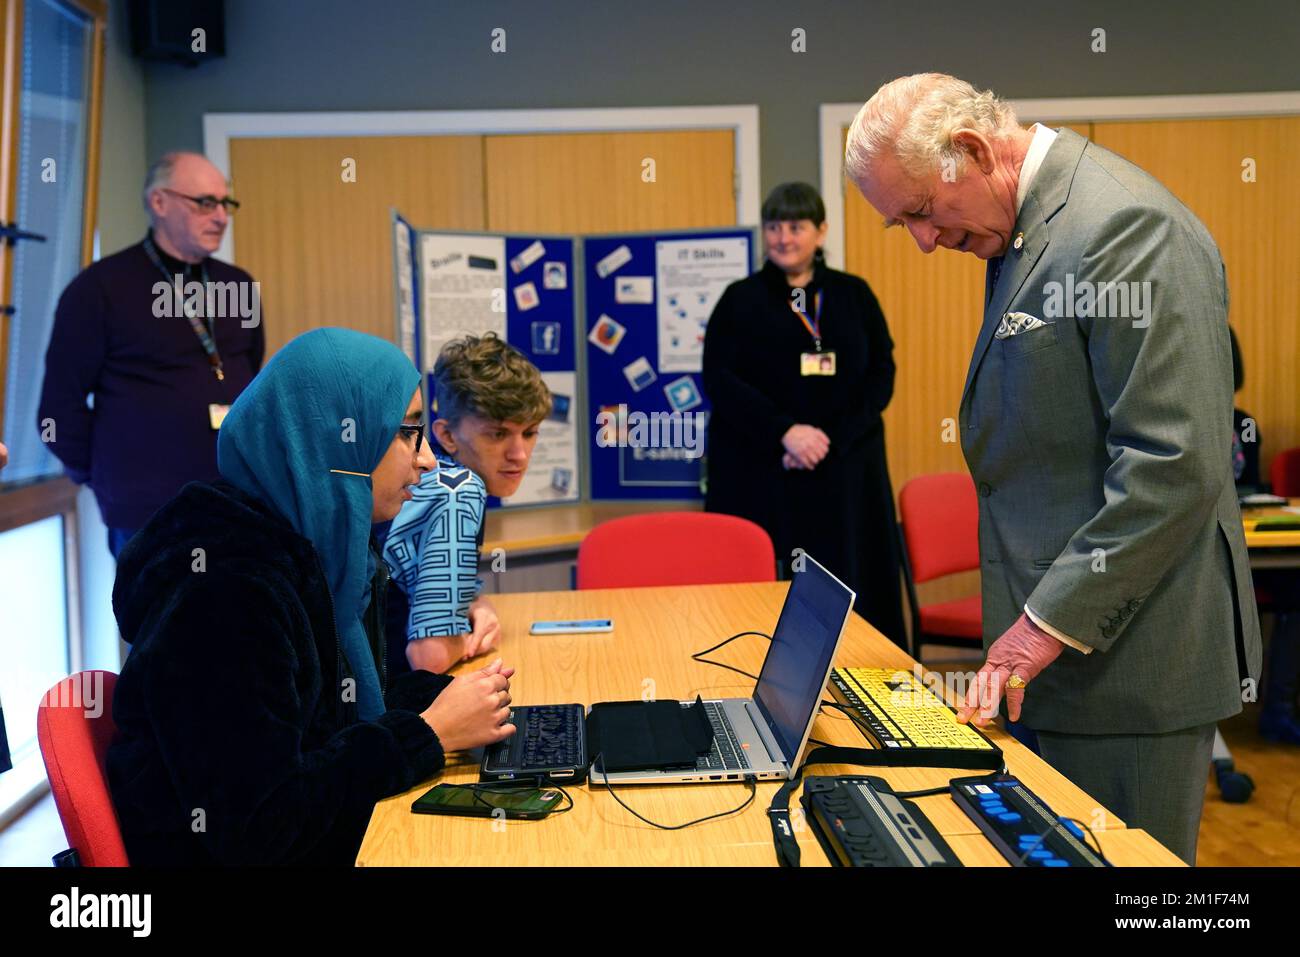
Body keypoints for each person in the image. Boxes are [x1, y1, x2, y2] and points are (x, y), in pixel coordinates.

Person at [845, 73, 1261, 864]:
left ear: (970, 151)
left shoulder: (1123, 228)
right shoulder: (1027, 225)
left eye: (922, 213)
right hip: (1062, 660)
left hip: (1132, 666)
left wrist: (1038, 628)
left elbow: (1172, 464)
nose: (925, 242)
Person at [106, 328, 516, 865]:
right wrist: (429, 734)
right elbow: (261, 825)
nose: (428, 461)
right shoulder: (224, 593)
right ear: (336, 440)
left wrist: (459, 701)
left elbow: (336, 717)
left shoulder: (314, 547)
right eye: (408, 433)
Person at [702, 182, 905, 646]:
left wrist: (824, 439)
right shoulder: (739, 300)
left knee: (851, 585)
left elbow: (881, 373)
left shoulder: (854, 295)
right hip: (762, 472)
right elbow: (720, 379)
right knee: (762, 598)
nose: (783, 237)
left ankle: (867, 676)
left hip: (844, 472)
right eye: (773, 227)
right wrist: (786, 434)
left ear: (821, 231)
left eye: (796, 226)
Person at [38, 151, 265, 559]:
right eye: (205, 203)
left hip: (236, 501)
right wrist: (110, 475)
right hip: (147, 513)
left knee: (241, 622)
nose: (221, 216)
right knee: (159, 624)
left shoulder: (238, 285)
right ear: (159, 203)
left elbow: (252, 376)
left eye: (225, 203)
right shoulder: (99, 288)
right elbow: (56, 412)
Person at [383, 333, 551, 675]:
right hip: (396, 701)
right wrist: (466, 640)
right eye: (498, 434)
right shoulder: (459, 491)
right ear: (446, 435)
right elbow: (428, 657)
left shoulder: (425, 477)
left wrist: (477, 604)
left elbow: (419, 583)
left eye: (530, 433)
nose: (519, 454)